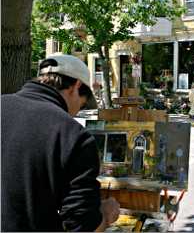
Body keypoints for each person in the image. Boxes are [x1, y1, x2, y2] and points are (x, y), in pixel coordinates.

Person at [1, 54, 120, 231]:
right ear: (76, 86)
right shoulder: (72, 135)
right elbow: (82, 227)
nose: (76, 112)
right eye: (82, 104)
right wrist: (106, 214)